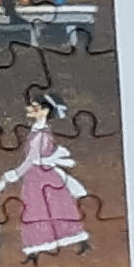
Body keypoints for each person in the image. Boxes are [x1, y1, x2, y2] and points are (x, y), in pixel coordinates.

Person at [10, 85, 91, 254]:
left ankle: (44, 242)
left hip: (40, 176)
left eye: (35, 107)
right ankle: (48, 242)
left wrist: (15, 174)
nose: (29, 109)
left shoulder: (41, 134)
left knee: (42, 208)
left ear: (45, 111)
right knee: (46, 207)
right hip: (39, 175)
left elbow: (32, 159)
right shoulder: (38, 130)